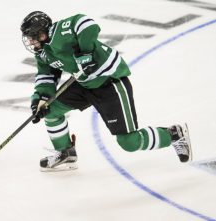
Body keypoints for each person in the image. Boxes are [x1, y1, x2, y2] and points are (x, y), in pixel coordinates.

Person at [20, 11, 192, 172]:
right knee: (50, 111)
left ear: (42, 32)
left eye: (33, 37)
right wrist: (40, 99)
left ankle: (173, 135)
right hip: (85, 83)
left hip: (110, 82)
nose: (31, 42)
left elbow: (86, 24)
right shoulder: (42, 54)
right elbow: (46, 76)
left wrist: (85, 52)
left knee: (128, 142)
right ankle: (66, 153)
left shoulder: (60, 30)